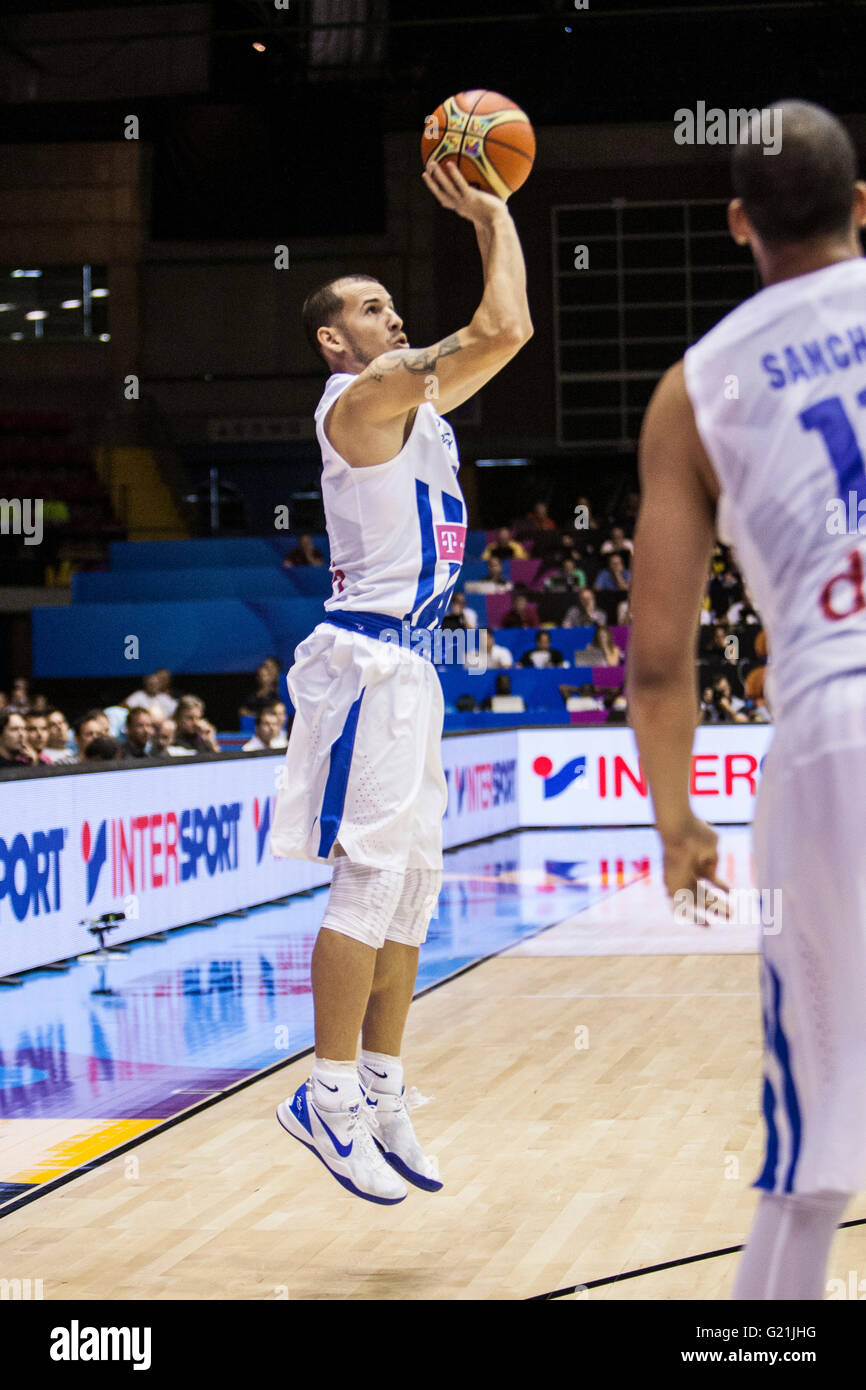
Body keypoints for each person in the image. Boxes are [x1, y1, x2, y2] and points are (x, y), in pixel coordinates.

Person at [626, 100, 866, 1301]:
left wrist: (677, 825)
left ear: (736, 224)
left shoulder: (695, 386)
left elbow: (659, 659)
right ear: (861, 206)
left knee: (808, 1140)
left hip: (835, 727)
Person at [269, 154, 532, 1205]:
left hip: (414, 661)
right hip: (367, 661)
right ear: (335, 338)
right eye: (371, 308)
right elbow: (503, 328)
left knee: (414, 888)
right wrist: (492, 213)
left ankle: (378, 1084)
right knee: (367, 881)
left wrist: (490, 222)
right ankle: (323, 1092)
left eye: (388, 305)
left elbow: (498, 332)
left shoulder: (416, 406)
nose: (390, 315)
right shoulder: (362, 396)